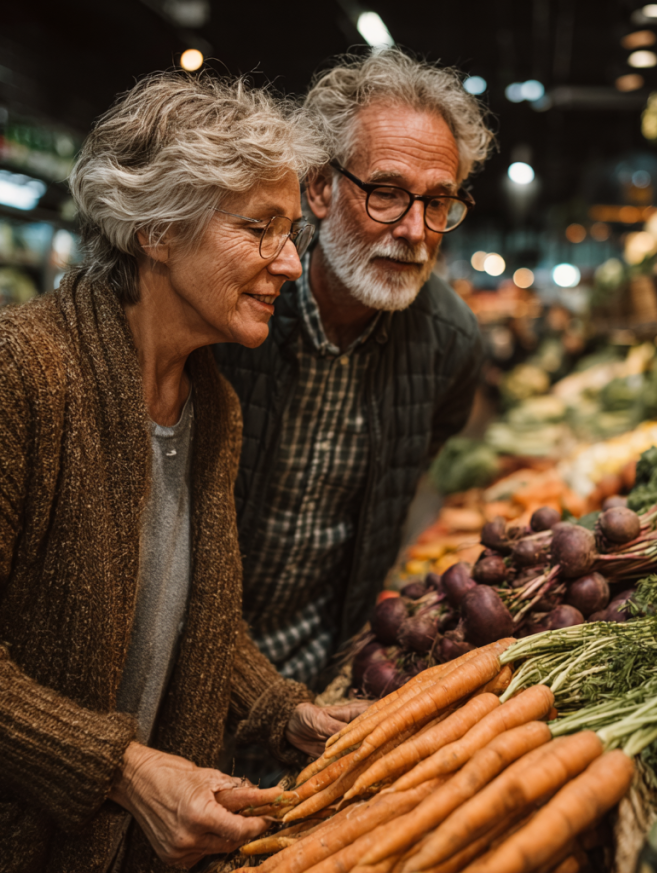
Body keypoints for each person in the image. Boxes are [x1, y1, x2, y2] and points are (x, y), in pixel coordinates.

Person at [0, 72, 365, 873]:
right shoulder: (11, 373)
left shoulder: (212, 403)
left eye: (293, 234)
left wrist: (285, 712)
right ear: (158, 230)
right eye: (259, 228)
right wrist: (126, 768)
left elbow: (197, 614)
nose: (288, 263)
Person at [214, 49, 495, 692]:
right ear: (319, 188)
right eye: (388, 194)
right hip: (177, 667)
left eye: (438, 202)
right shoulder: (233, 304)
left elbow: (392, 502)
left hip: (315, 677)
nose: (416, 231)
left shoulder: (450, 346)